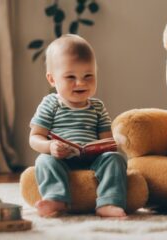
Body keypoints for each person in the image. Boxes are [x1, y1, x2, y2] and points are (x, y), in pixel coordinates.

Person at [29, 34, 127, 218]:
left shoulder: (97, 107)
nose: (81, 82)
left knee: (115, 158)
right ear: (52, 79)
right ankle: (56, 198)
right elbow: (34, 138)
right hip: (61, 157)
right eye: (70, 77)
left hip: (92, 158)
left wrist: (113, 144)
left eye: (88, 75)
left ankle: (109, 201)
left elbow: (106, 139)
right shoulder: (51, 103)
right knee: (43, 160)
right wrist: (50, 147)